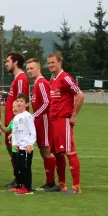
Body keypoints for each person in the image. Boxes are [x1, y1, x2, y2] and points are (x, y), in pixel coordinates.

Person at [46, 52, 84, 195]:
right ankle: (62, 184)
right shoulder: (52, 79)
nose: (50, 65)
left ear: (60, 62)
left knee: (69, 151)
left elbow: (80, 95)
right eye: (49, 63)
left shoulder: (66, 78)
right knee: (57, 153)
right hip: (54, 120)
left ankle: (76, 186)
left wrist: (73, 115)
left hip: (63, 119)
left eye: (53, 62)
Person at [25, 58, 57, 191]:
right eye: (27, 69)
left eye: (32, 68)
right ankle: (50, 182)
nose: (29, 71)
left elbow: (47, 103)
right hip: (39, 120)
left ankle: (51, 183)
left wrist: (34, 115)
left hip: (44, 120)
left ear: (38, 68)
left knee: (46, 150)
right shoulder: (37, 83)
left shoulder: (42, 83)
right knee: (44, 150)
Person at [3, 52, 29, 188]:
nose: (6, 63)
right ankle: (18, 176)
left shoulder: (20, 79)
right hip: (12, 122)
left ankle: (20, 178)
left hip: (16, 123)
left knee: (16, 148)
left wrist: (17, 123)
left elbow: (21, 101)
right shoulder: (17, 79)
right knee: (11, 148)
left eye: (8, 61)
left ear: (15, 63)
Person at [12, 94, 37, 195]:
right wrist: (15, 143)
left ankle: (27, 188)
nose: (19, 103)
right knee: (19, 167)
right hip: (19, 147)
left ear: (27, 104)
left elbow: (33, 132)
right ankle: (21, 185)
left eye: (21, 101)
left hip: (26, 147)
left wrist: (30, 144)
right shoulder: (17, 117)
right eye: (17, 101)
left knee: (25, 168)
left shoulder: (28, 116)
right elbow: (14, 132)